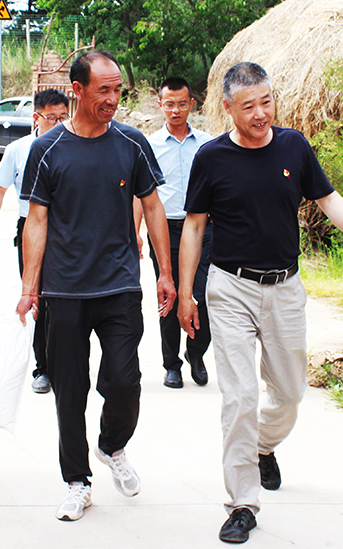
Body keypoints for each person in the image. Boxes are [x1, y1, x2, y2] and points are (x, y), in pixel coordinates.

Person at [177, 62, 343, 543]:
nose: (260, 113)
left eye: (266, 101)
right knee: (240, 397)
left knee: (290, 393)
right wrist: (186, 293)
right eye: (248, 105)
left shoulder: (294, 146)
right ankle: (242, 503)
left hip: (286, 287)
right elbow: (194, 226)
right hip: (231, 289)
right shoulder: (211, 157)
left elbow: (327, 197)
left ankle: (262, 446)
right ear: (228, 108)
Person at [16, 50, 177, 522]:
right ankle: (77, 481)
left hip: (119, 284)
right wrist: (29, 287)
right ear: (78, 90)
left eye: (118, 89)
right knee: (70, 392)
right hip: (64, 289)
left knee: (125, 381)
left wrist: (165, 273)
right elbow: (36, 221)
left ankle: (111, 445)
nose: (112, 98)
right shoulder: (48, 149)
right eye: (103, 89)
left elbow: (153, 208)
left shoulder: (131, 143)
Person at [0, 88, 70, 395]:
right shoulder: (18, 149)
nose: (58, 124)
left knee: (65, 301)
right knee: (37, 298)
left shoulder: (74, 145)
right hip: (30, 229)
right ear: (36, 118)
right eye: (52, 118)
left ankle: (65, 363)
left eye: (63, 117)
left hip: (67, 231)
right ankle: (42, 368)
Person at [142, 77, 213, 389]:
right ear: (160, 105)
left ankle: (196, 353)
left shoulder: (208, 144)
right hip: (165, 230)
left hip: (203, 229)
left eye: (182, 104)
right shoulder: (149, 146)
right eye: (169, 104)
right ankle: (171, 364)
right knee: (168, 295)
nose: (175, 110)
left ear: (191, 104)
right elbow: (140, 195)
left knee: (207, 294)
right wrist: (135, 233)